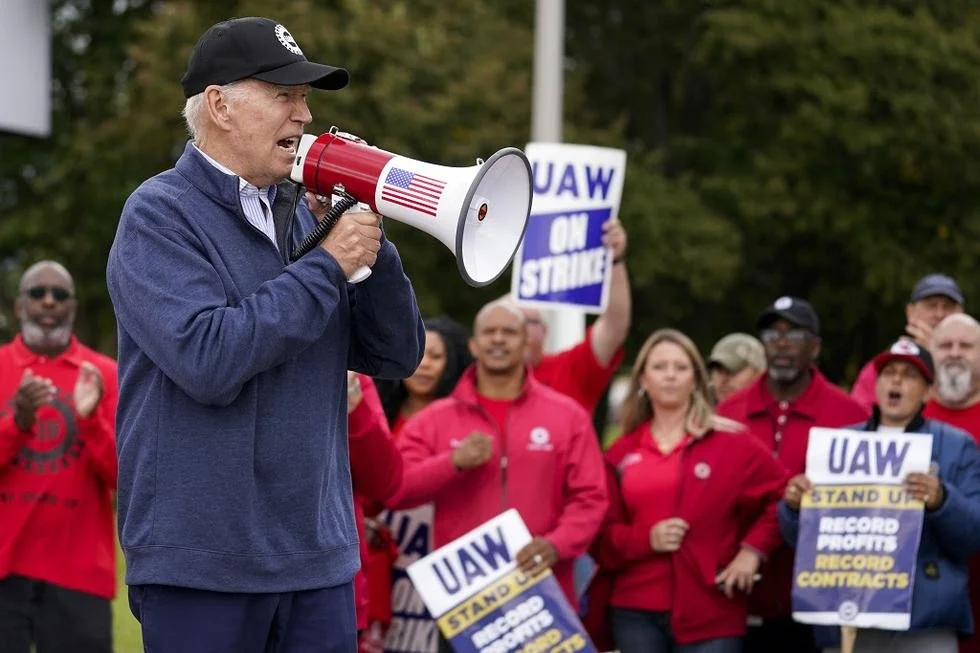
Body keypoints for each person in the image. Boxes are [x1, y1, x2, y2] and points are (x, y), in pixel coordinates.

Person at [105, 17, 425, 653]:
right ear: (220, 105)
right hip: (203, 564)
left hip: (316, 560)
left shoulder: (305, 215)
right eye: (285, 95)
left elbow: (397, 353)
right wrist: (327, 263)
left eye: (304, 98)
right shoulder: (158, 214)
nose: (304, 115)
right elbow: (209, 358)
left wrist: (369, 239)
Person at [388, 298, 608, 652]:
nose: (499, 339)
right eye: (489, 332)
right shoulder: (434, 420)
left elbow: (591, 498)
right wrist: (452, 462)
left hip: (542, 598)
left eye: (509, 332)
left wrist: (556, 544)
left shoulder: (567, 416)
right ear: (474, 345)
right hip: (465, 606)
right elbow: (398, 489)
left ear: (527, 343)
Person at [584, 329, 787, 653]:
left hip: (712, 611)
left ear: (695, 379)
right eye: (659, 367)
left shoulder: (732, 443)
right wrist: (647, 539)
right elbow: (601, 540)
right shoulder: (619, 454)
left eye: (681, 367)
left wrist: (752, 552)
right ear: (643, 379)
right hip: (635, 612)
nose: (670, 375)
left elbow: (783, 494)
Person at [780, 339, 980, 653]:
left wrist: (942, 500)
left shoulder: (957, 446)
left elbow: (973, 535)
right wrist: (794, 507)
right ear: (876, 385)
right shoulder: (838, 445)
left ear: (928, 392)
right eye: (888, 373)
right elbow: (802, 541)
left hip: (923, 622)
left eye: (909, 375)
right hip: (848, 620)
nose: (896, 381)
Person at [715, 296, 868, 652]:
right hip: (735, 597)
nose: (782, 344)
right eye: (773, 335)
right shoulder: (728, 413)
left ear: (815, 347)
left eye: (794, 335)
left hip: (817, 603)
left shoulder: (850, 415)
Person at [0, 261, 118, 653]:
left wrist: (90, 421)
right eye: (37, 293)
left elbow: (125, 476)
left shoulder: (105, 375)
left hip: (79, 576)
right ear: (19, 306)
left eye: (60, 294)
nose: (49, 301)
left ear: (73, 307)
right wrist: (17, 424)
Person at [371, 315, 472, 653]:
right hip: (384, 556)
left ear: (452, 363)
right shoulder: (375, 414)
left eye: (436, 356)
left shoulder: (463, 418)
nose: (424, 364)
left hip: (440, 553)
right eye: (418, 352)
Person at [519, 219, 632, 415]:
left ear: (545, 331)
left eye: (528, 322)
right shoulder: (479, 378)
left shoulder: (570, 368)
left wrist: (614, 260)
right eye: (510, 324)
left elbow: (614, 327)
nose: (518, 329)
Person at [922, 314, 980, 653]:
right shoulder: (905, 419)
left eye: (966, 346)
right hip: (926, 608)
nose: (955, 353)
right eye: (945, 345)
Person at [346, 372, 404, 653]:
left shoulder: (352, 376)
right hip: (231, 579)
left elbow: (384, 483)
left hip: (332, 589)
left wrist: (354, 406)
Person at [850, 274, 964, 413]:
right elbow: (860, 415)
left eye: (947, 307)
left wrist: (938, 357)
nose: (939, 314)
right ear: (911, 312)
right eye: (931, 306)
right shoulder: (884, 365)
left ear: (961, 314)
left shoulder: (974, 363)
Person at [707, 332, 767, 404]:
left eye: (732, 371)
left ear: (759, 373)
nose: (723, 380)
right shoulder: (698, 407)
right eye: (718, 371)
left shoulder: (776, 408)